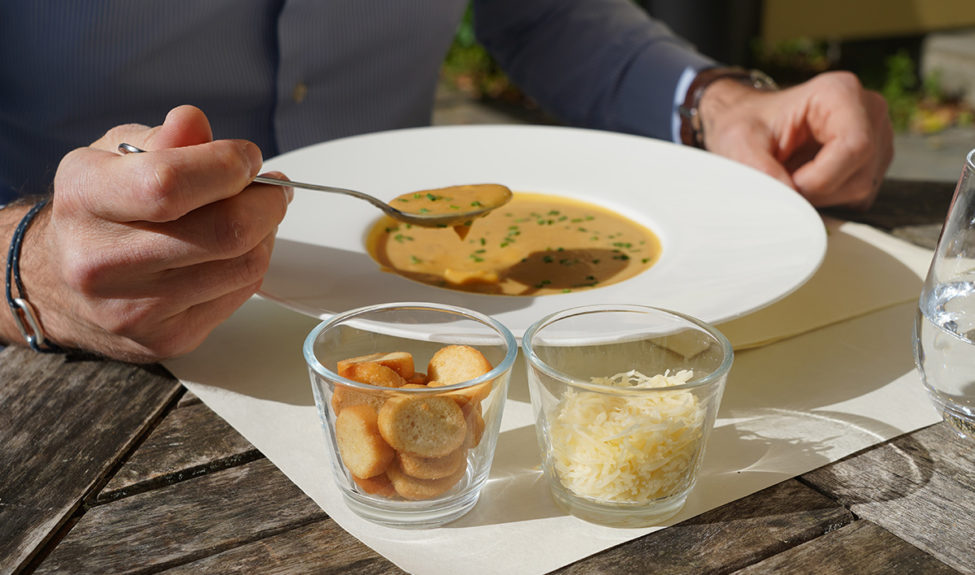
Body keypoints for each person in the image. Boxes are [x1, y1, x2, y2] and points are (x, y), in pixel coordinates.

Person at [0, 0, 893, 362]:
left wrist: (713, 103)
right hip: (72, 364)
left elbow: (543, 12)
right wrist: (26, 267)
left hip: (445, 343)